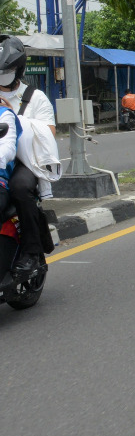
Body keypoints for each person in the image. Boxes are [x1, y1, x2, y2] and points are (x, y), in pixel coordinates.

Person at [0, 37, 51, 279]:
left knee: (20, 188)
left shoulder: (35, 97)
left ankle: (31, 252)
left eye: (6, 71)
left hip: (25, 161)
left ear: (18, 69)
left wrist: (13, 116)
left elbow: (48, 133)